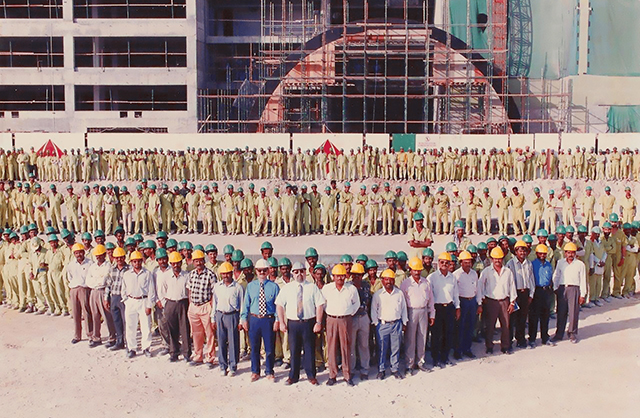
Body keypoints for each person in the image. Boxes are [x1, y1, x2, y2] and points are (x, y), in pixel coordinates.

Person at [276, 262, 325, 386]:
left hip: (309, 322)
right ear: (292, 273)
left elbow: (320, 305)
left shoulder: (312, 287)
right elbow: (279, 305)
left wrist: (318, 322)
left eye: (302, 271)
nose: (299, 274)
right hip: (293, 323)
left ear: (305, 272)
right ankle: (293, 376)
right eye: (296, 271)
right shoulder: (287, 288)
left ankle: (311, 376)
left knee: (309, 350)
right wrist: (281, 322)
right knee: (294, 350)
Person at [241, 258, 280, 382]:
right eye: (259, 270)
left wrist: (277, 320)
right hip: (254, 319)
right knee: (254, 347)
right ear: (256, 271)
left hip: (268, 319)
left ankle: (269, 371)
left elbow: (278, 305)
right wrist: (244, 319)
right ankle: (255, 371)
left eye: (264, 270)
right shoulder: (251, 286)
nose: (262, 273)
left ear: (268, 271)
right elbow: (246, 304)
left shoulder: (274, 287)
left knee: (269, 348)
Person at [478, 247, 517, 354]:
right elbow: (480, 286)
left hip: (505, 301)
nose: (497, 261)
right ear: (491, 259)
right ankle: (489, 346)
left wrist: (512, 302)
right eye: (495, 258)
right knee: (490, 325)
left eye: (499, 258)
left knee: (506, 325)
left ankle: (505, 346)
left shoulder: (508, 272)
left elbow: (512, 286)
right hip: (491, 301)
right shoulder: (486, 271)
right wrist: (481, 300)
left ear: (502, 258)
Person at [371, 268, 407, 380]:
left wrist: (404, 322)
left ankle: (394, 369)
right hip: (382, 325)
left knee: (395, 348)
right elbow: (374, 310)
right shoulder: (378, 294)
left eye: (390, 279)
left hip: (396, 323)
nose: (388, 282)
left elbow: (403, 309)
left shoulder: (399, 293)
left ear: (394, 280)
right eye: (386, 279)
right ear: (382, 281)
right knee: (382, 348)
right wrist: (376, 323)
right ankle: (381, 370)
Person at [400, 257, 435, 374]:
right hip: (411, 311)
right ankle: (409, 364)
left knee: (422, 337)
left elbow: (431, 299)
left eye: (419, 270)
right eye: (414, 270)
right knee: (410, 339)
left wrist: (432, 314)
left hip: (423, 311)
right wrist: (404, 319)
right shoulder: (405, 284)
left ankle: (421, 362)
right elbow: (402, 302)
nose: (417, 272)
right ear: (410, 270)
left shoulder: (426, 282)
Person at [157, 251, 191, 362]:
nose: (176, 265)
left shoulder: (186, 275)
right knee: (172, 330)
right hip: (170, 303)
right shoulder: (166, 276)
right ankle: (174, 353)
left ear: (181, 263)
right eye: (173, 263)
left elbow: (188, 291)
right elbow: (162, 291)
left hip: (183, 303)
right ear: (170, 263)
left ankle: (186, 354)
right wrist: (165, 304)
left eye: (178, 263)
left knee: (185, 328)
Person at [211, 261, 244, 376]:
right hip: (220, 315)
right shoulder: (217, 287)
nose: (225, 276)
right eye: (223, 274)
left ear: (232, 273)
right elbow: (214, 303)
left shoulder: (237, 287)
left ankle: (233, 366)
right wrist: (213, 319)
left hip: (232, 315)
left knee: (233, 341)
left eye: (228, 273)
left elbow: (242, 305)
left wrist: (241, 321)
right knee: (221, 341)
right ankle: (222, 366)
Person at [121, 250, 156, 358]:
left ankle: (146, 348)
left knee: (146, 326)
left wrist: (149, 305)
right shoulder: (127, 274)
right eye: (134, 261)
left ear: (142, 261)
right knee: (131, 326)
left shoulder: (147, 274)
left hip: (143, 301)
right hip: (131, 301)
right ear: (131, 262)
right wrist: (126, 301)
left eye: (139, 261)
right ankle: (132, 348)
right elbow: (123, 289)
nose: (137, 264)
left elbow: (151, 290)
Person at [428, 252, 460, 367]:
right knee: (436, 335)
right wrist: (431, 311)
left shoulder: (452, 277)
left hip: (449, 308)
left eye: (447, 263)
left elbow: (456, 293)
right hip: (437, 308)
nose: (444, 265)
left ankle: (445, 357)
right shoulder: (432, 277)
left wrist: (457, 308)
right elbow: (430, 296)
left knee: (448, 334)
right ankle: (435, 359)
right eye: (442, 262)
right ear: (438, 263)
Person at [186, 249, 217, 367]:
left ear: (204, 261)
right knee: (196, 333)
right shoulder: (191, 274)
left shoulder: (210, 275)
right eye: (196, 261)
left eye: (200, 261)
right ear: (193, 262)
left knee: (209, 333)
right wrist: (190, 305)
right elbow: (189, 291)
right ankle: (198, 355)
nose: (198, 263)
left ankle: (210, 357)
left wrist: (211, 306)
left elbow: (214, 292)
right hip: (194, 306)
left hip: (205, 306)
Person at [552, 242, 587, 344]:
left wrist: (582, 294)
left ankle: (572, 333)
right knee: (561, 312)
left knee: (573, 312)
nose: (570, 255)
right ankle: (559, 334)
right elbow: (556, 275)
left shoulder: (580, 265)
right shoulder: (560, 263)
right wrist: (555, 288)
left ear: (575, 253)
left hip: (574, 289)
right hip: (562, 288)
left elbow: (583, 280)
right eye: (568, 253)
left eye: (572, 253)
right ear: (565, 253)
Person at [85, 245, 116, 348]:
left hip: (103, 291)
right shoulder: (93, 267)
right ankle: (96, 337)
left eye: (100, 255)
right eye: (97, 256)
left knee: (107, 315)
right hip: (93, 291)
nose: (98, 257)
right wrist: (96, 282)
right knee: (95, 315)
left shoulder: (108, 266)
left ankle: (112, 337)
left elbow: (105, 280)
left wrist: (97, 281)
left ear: (104, 255)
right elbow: (88, 280)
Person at [506, 240, 535, 349]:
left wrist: (531, 294)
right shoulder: (510, 264)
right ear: (515, 252)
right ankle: (508, 342)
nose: (522, 253)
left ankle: (521, 341)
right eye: (520, 251)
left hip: (525, 293)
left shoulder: (528, 263)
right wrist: (512, 298)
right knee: (511, 319)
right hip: (515, 293)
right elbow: (509, 282)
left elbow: (531, 279)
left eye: (524, 251)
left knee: (522, 318)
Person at [453, 251, 482, 359]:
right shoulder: (456, 275)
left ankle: (467, 349)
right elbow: (455, 292)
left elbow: (478, 289)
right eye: (465, 262)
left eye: (469, 262)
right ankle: (458, 350)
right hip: (462, 302)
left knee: (470, 327)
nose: (468, 264)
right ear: (461, 262)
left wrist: (479, 304)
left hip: (472, 302)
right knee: (460, 327)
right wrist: (457, 307)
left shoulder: (474, 274)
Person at [66, 242, 93, 344]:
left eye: (80, 252)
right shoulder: (71, 264)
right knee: (76, 313)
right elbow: (69, 277)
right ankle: (77, 335)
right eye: (76, 253)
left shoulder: (90, 263)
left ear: (84, 252)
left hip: (84, 289)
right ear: (74, 254)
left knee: (87, 312)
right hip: (74, 289)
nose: (79, 255)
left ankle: (90, 335)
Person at [529, 244, 554, 347]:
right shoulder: (532, 264)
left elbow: (551, 278)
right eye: (540, 253)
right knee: (534, 317)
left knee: (545, 316)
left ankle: (545, 338)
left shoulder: (548, 265)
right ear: (537, 253)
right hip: (536, 291)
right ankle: (532, 339)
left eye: (544, 253)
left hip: (546, 291)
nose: (542, 255)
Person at [105, 247, 129, 351]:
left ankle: (128, 342)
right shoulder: (112, 269)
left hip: (124, 298)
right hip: (114, 297)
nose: (119, 260)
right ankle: (119, 341)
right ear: (114, 258)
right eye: (117, 258)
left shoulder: (129, 269)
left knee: (126, 321)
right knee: (117, 320)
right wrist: (106, 298)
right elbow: (108, 284)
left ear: (124, 257)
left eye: (121, 257)